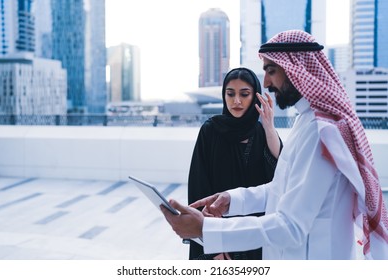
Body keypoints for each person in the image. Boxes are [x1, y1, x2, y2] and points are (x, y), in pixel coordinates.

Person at [161, 30, 388, 260]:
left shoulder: (322, 132)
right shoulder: (305, 121)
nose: (267, 83)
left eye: (271, 71)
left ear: (296, 69)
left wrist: (206, 230)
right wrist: (232, 199)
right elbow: (281, 188)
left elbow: (291, 226)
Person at [187, 67, 282, 260]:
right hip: (217, 235)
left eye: (244, 94)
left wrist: (269, 127)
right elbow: (199, 187)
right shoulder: (210, 130)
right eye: (230, 94)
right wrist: (214, 247)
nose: (236, 101)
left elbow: (280, 175)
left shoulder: (261, 131)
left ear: (254, 97)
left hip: (254, 233)